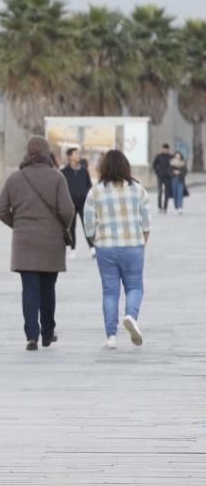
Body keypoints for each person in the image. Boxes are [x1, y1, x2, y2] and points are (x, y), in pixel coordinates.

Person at [0, 137, 74, 351]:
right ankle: (48, 332)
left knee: (29, 289)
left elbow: (0, 210)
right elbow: (68, 210)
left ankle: (32, 335)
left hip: (24, 243)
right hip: (51, 242)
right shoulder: (57, 178)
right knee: (48, 288)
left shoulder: (15, 179)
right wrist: (61, 226)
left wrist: (18, 224)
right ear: (47, 153)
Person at [83, 150, 152, 350]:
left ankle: (111, 336)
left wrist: (96, 238)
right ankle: (131, 315)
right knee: (135, 287)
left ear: (103, 167)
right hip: (133, 245)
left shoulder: (95, 191)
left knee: (110, 291)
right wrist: (142, 241)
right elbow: (146, 221)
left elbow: (88, 224)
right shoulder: (137, 189)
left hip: (106, 247)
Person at [60, 147, 94, 258]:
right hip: (70, 204)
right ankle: (73, 249)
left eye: (78, 153)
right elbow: (62, 189)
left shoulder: (84, 170)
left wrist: (86, 195)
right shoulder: (64, 172)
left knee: (87, 225)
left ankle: (92, 248)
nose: (78, 155)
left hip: (83, 203)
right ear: (70, 156)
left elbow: (89, 186)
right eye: (75, 154)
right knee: (71, 227)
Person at [152, 143, 173, 214]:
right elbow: (154, 165)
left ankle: (165, 208)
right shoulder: (158, 156)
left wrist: (171, 174)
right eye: (164, 149)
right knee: (160, 192)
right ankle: (160, 207)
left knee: (167, 193)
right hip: (160, 177)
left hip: (168, 178)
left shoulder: (171, 157)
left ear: (168, 149)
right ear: (162, 149)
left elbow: (174, 166)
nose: (165, 150)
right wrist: (157, 172)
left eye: (166, 149)